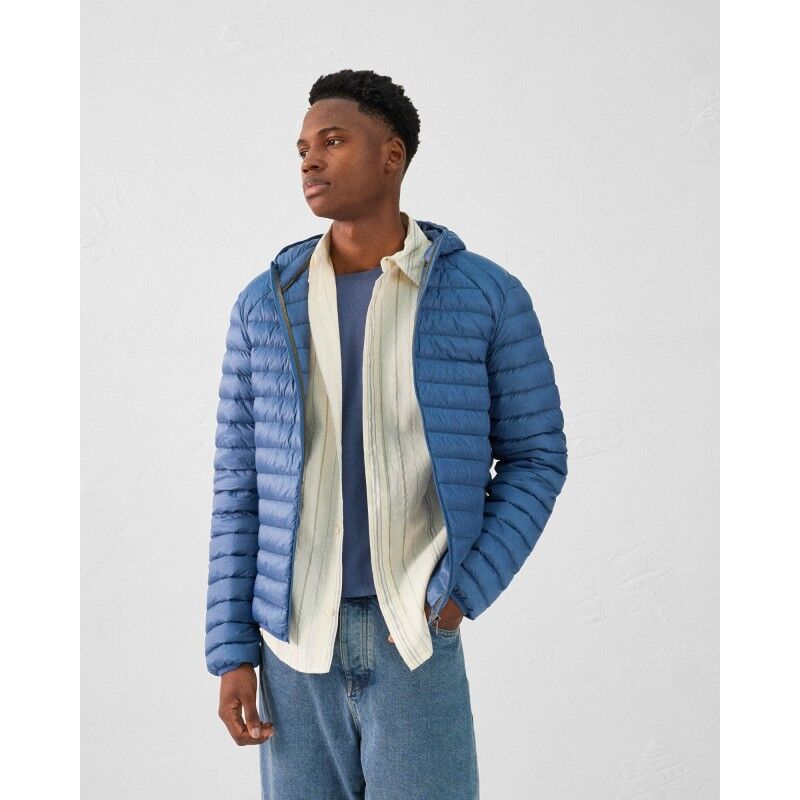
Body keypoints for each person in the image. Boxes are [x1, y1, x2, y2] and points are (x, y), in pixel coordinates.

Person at [204, 68, 568, 800]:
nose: (310, 160)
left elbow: (536, 457)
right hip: (292, 647)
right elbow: (238, 486)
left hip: (415, 637)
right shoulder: (265, 304)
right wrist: (231, 650)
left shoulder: (485, 295)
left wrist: (462, 592)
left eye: (332, 141)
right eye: (303, 148)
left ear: (391, 155)